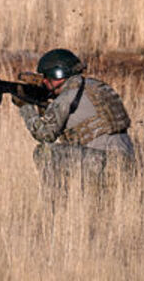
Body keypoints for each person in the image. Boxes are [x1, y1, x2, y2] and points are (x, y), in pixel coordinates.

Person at [15, 49, 135, 197]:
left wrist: (25, 106)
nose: (44, 81)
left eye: (48, 77)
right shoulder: (95, 85)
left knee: (44, 152)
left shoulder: (67, 96)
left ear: (59, 74)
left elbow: (44, 135)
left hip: (104, 162)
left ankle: (56, 206)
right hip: (127, 161)